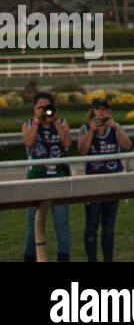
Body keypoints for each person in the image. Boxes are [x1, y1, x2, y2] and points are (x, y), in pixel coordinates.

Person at [78, 98, 132, 262]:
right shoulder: (86, 129)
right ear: (93, 111)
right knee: (92, 225)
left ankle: (108, 259)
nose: (101, 112)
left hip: (112, 182)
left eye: (104, 109)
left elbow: (127, 145)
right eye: (98, 109)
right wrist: (91, 132)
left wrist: (115, 127)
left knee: (108, 227)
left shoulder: (114, 129)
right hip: (94, 183)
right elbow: (82, 151)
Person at [21, 90, 72, 262]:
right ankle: (30, 258)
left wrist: (56, 122)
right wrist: (36, 121)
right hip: (36, 179)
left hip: (58, 178)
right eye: (39, 107)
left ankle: (63, 258)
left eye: (46, 107)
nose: (44, 111)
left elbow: (67, 144)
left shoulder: (61, 123)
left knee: (62, 224)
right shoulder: (29, 124)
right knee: (32, 226)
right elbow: (28, 142)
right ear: (34, 108)